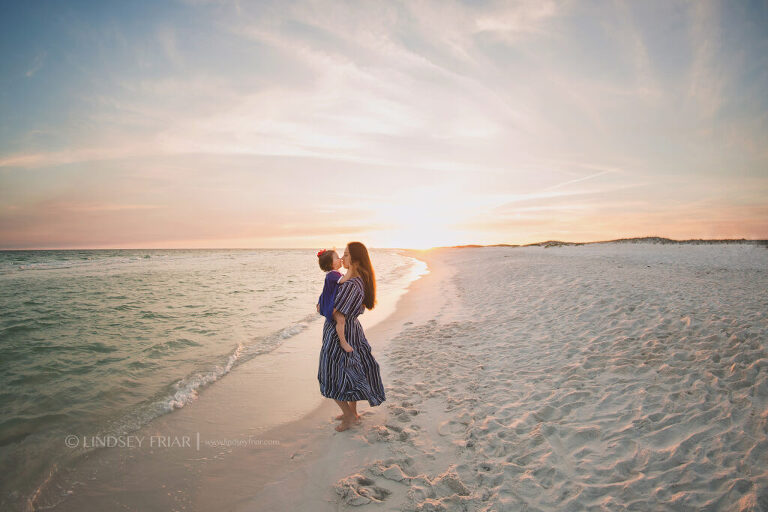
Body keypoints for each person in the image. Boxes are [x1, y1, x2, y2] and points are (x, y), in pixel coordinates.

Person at [317, 241, 386, 432]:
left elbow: (333, 311)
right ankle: (352, 412)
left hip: (340, 333)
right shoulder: (354, 280)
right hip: (352, 330)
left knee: (331, 374)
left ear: (355, 259)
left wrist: (320, 308)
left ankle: (349, 417)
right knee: (349, 372)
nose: (342, 257)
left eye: (346, 254)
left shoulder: (351, 285)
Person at [316, 249, 342, 322]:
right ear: (330, 263)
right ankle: (341, 334)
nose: (340, 259)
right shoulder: (332, 274)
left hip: (329, 300)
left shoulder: (333, 273)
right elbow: (344, 280)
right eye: (337, 258)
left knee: (340, 320)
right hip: (330, 303)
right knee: (340, 320)